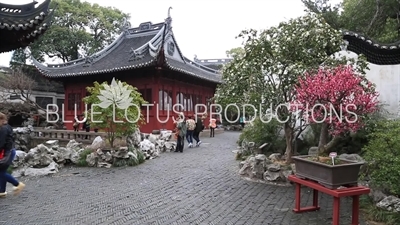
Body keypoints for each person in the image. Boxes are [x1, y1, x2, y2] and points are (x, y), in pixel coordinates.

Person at [0, 113, 25, 198]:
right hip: (10, 151)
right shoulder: (7, 127)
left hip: (6, 153)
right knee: (3, 171)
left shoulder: (3, 129)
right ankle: (1, 191)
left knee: (1, 172)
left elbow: (1, 143)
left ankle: (18, 184)